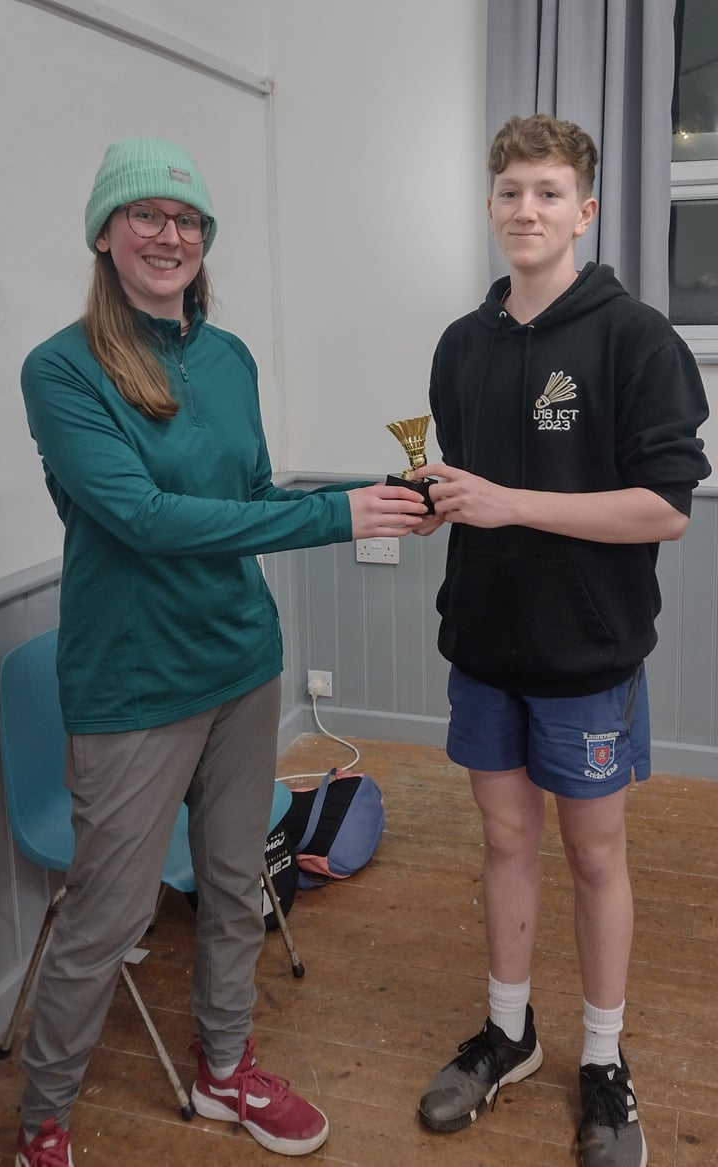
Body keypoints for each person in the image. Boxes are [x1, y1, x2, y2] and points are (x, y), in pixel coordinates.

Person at [15, 136, 426, 1167]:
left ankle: (225, 1070)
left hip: (241, 665)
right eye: (145, 215)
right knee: (104, 920)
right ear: (105, 235)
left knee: (235, 883)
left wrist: (369, 499)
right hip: (131, 685)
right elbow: (145, 518)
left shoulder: (229, 357)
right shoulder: (62, 370)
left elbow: (245, 503)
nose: (169, 234)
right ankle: (44, 1126)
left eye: (187, 219)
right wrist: (334, 517)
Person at [410, 114, 710, 1167]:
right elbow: (475, 493)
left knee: (592, 856)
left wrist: (510, 503)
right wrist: (440, 504)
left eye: (545, 192)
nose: (523, 210)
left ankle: (600, 1056)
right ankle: (509, 1033)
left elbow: (664, 509)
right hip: (484, 647)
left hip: (587, 656)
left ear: (583, 209)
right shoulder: (460, 344)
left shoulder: (635, 340)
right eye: (507, 192)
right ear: (489, 208)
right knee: (500, 842)